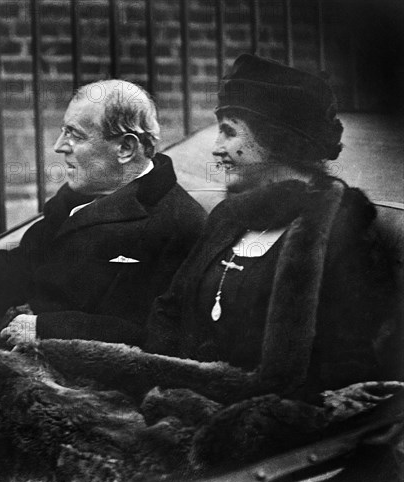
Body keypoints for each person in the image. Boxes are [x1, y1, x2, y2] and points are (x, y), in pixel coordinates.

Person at [145, 54, 400, 399]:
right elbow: (169, 309)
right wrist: (169, 388)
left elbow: (351, 363)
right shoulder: (228, 217)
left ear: (277, 140)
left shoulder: (344, 227)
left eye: (229, 132)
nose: (217, 149)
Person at [0, 80, 207, 346]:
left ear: (125, 148)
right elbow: (21, 273)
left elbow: (157, 334)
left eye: (75, 135)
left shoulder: (179, 223)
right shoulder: (75, 200)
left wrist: (46, 328)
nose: (59, 146)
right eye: (64, 131)